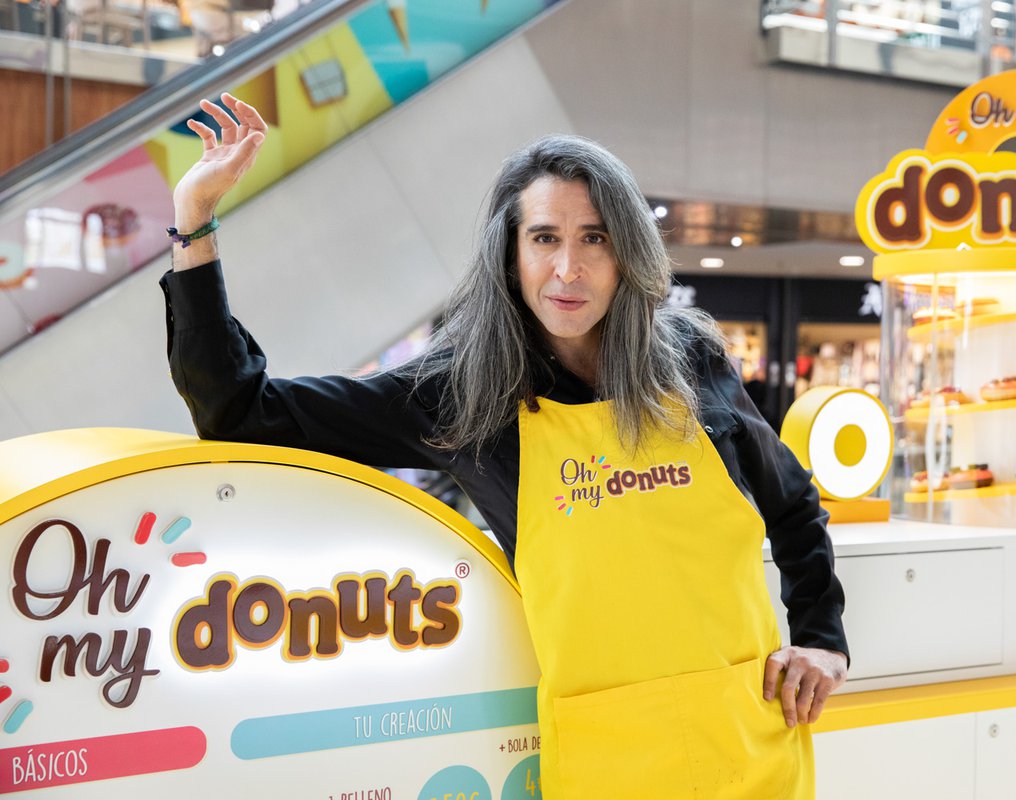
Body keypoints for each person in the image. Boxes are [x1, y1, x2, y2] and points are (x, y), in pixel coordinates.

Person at [163, 92, 849, 799]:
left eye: (596, 237)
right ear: (510, 253)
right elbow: (241, 412)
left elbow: (793, 505)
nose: (569, 270)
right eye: (546, 238)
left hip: (753, 742)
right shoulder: (467, 395)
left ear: (627, 254)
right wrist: (195, 222)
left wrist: (823, 635)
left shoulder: (691, 360)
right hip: (607, 762)